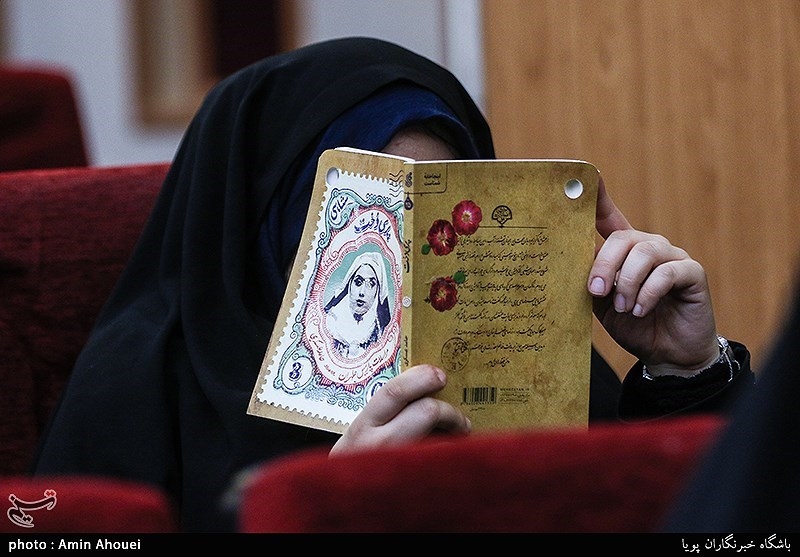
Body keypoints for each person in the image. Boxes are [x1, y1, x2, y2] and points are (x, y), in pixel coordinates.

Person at [32, 37, 754, 532]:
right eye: (362, 215)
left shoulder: (535, 360)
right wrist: (328, 506)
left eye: (435, 223)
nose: (399, 265)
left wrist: (687, 372)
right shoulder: (137, 391)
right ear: (265, 227)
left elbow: (727, 531)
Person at [324, 251, 391, 358]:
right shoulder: (329, 323)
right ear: (349, 284)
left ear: (377, 291)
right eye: (358, 282)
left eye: (371, 284)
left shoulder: (379, 332)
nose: (362, 292)